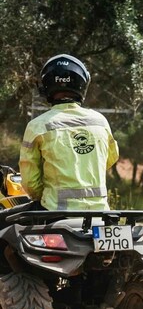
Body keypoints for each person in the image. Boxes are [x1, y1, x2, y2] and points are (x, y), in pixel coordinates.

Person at [19, 54, 119, 211]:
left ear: (46, 86)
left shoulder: (37, 126)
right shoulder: (100, 121)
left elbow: (30, 182)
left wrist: (43, 198)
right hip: (100, 213)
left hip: (56, 214)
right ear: (82, 84)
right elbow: (111, 158)